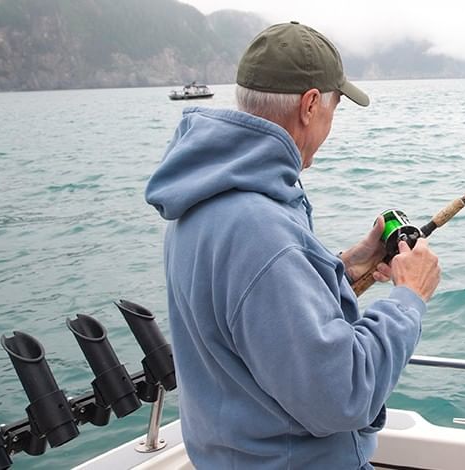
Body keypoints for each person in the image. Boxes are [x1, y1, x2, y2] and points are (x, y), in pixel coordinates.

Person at [144, 21, 441, 469]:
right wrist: (408, 297)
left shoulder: (202, 199)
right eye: (334, 109)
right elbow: (342, 394)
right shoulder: (262, 232)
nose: (329, 125)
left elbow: (252, 317)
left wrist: (341, 267)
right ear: (309, 105)